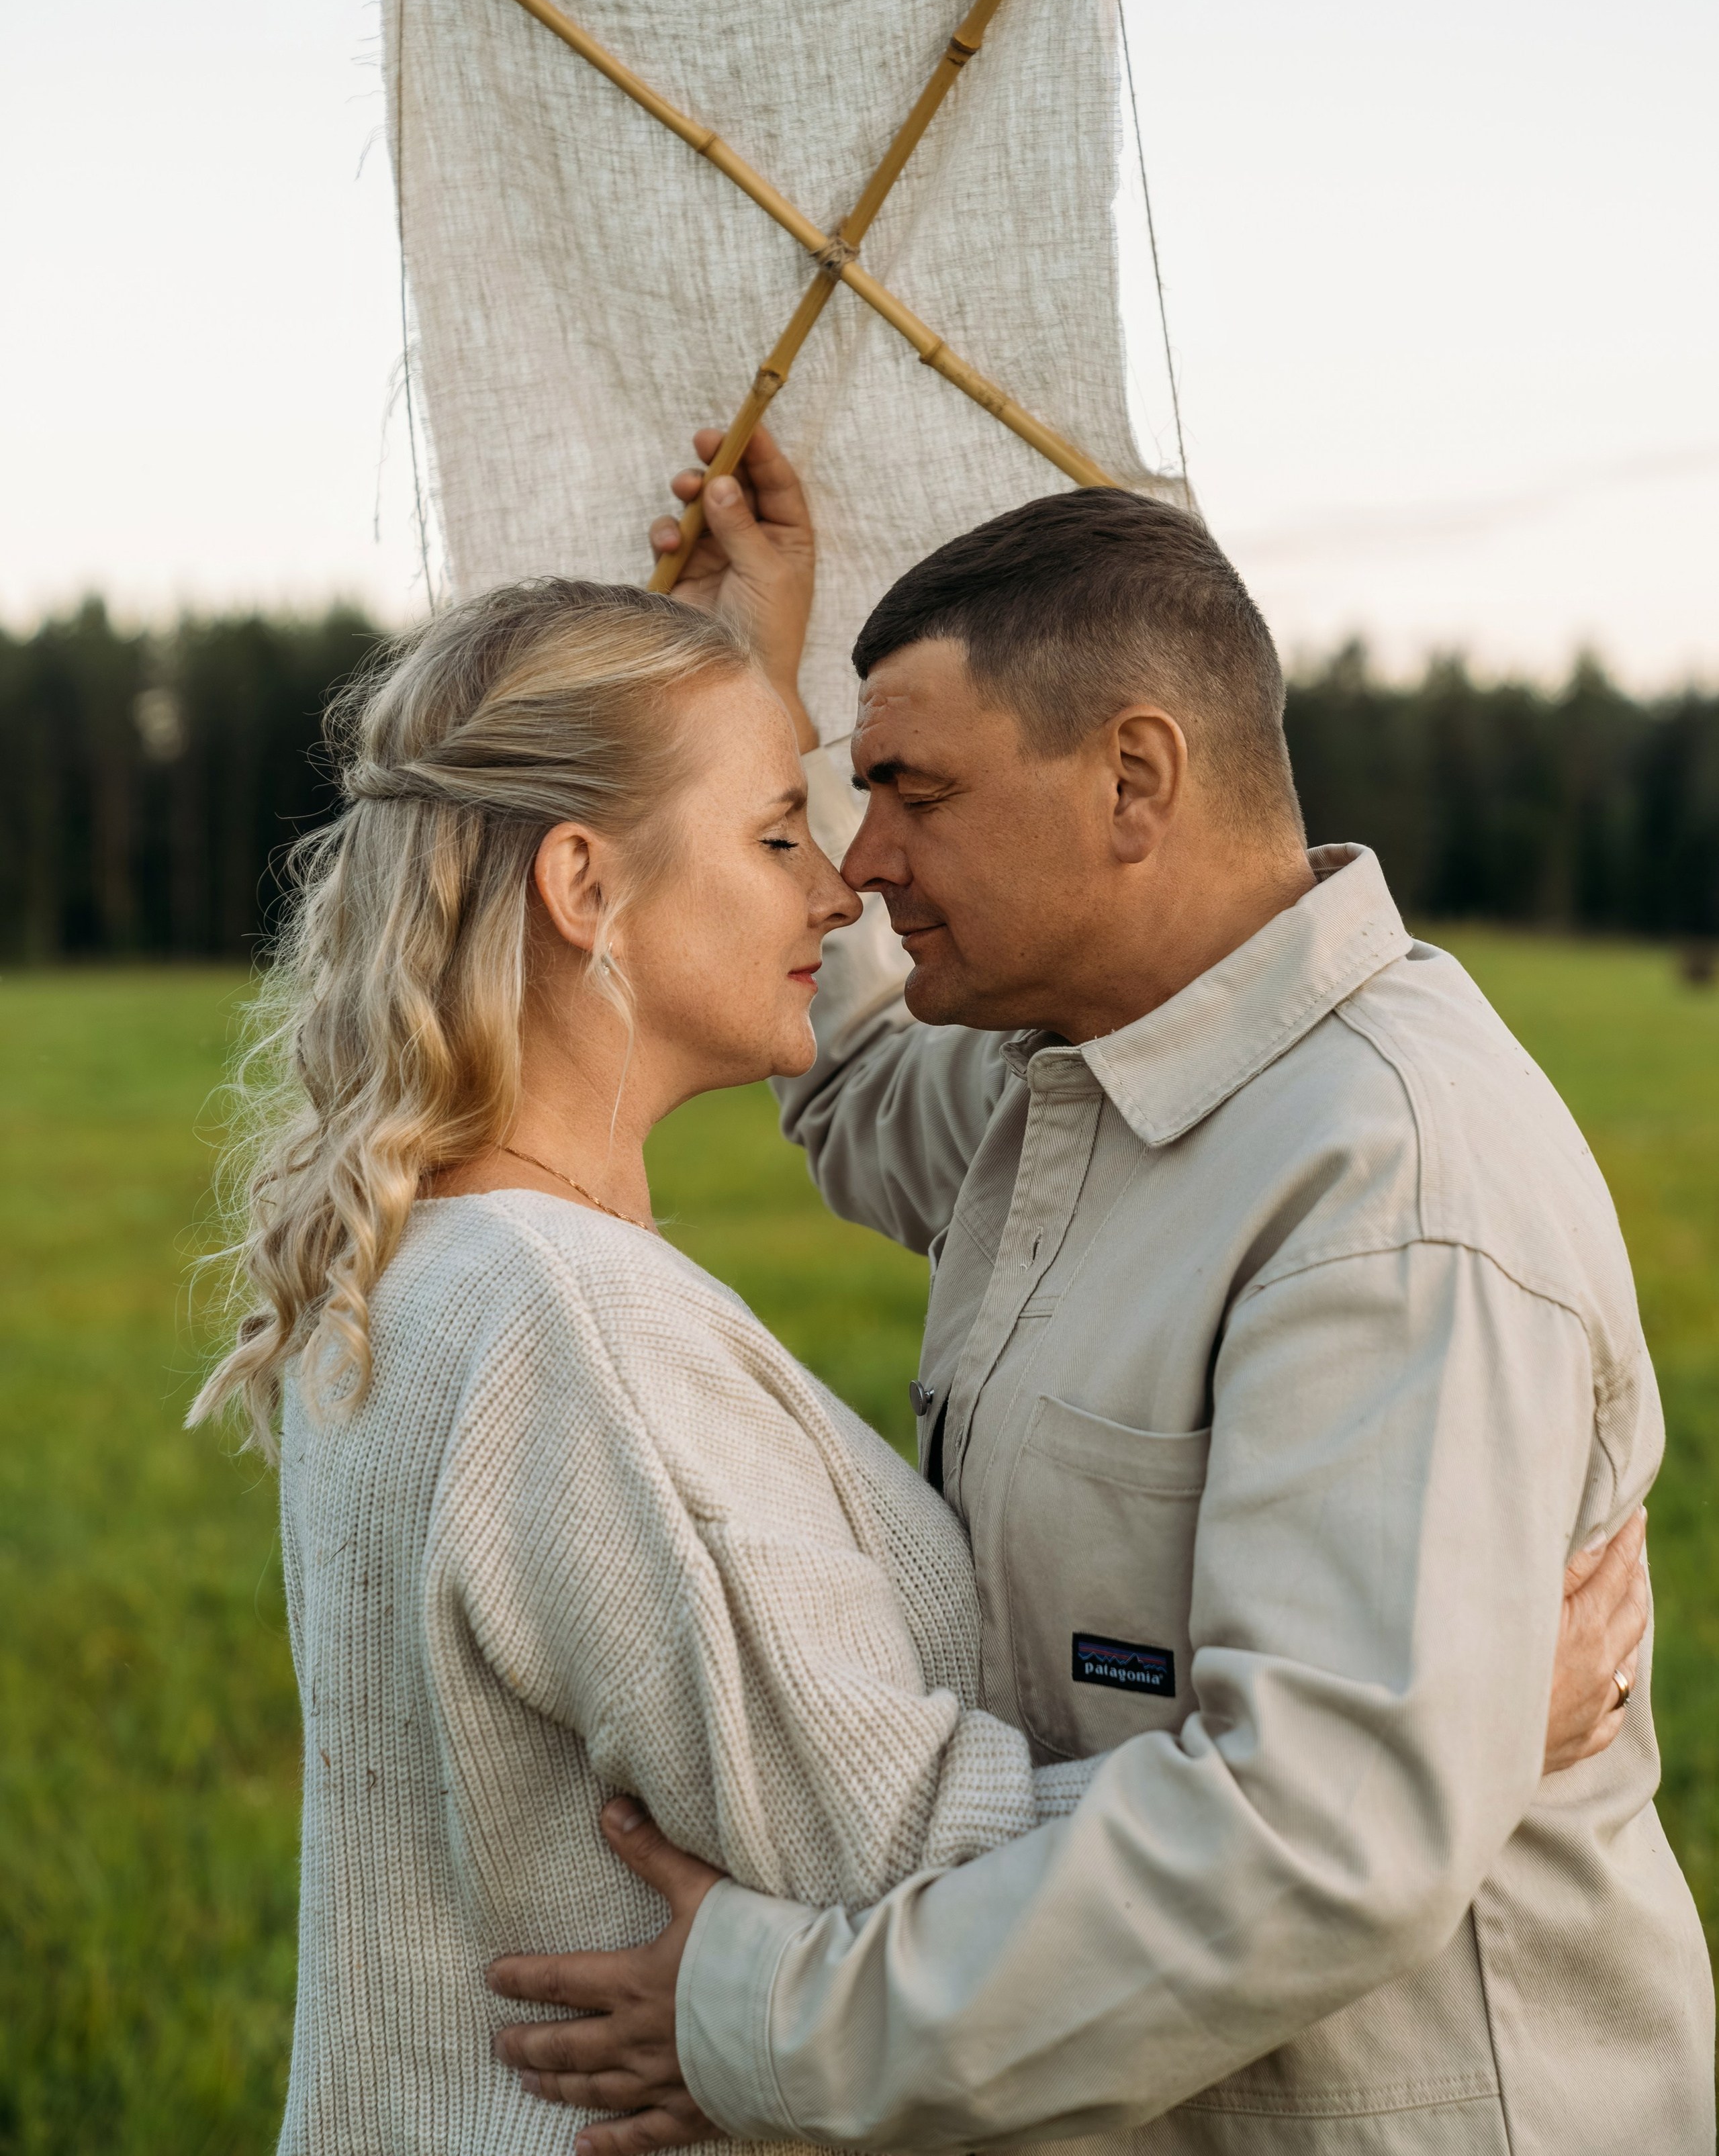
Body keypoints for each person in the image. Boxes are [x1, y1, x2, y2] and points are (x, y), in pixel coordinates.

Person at [189, 545, 1638, 2155]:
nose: (852, 873)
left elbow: (1326, 1833)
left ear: (1134, 780)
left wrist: (1417, 1751)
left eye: (906, 793)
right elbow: (894, 1839)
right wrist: (1468, 1730)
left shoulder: (1385, 1179)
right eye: (798, 821)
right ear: (587, 888)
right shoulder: (1024, 1115)